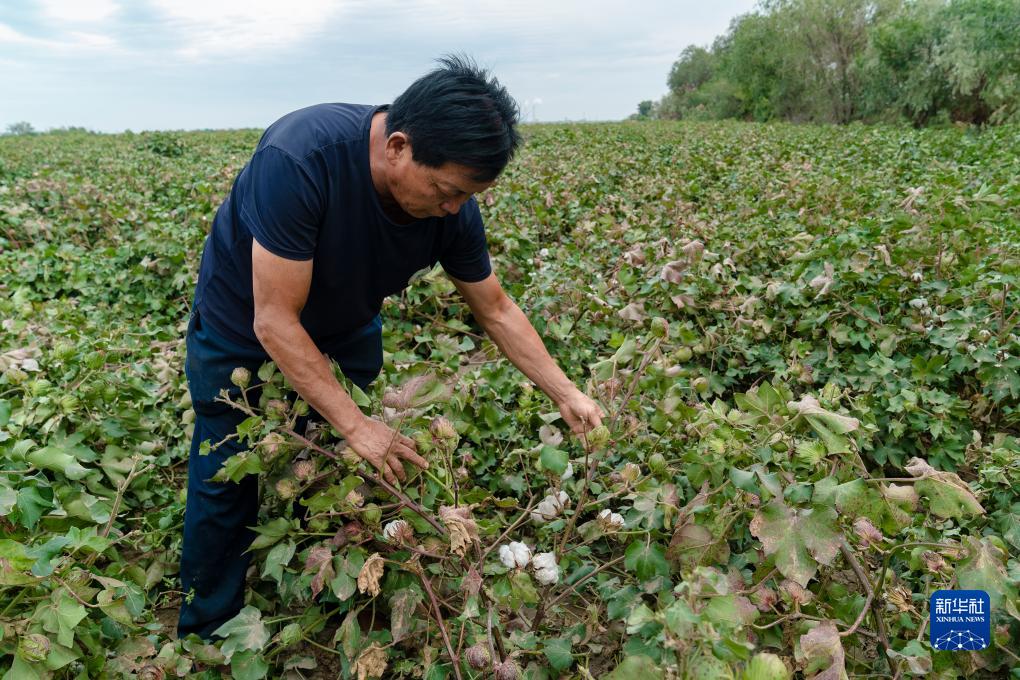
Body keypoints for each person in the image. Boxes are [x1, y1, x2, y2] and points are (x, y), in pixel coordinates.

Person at [177, 55, 604, 640]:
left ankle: (320, 588)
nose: (453, 208)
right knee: (226, 476)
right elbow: (274, 320)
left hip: (343, 324)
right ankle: (205, 632)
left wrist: (566, 393)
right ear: (398, 147)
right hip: (242, 325)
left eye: (466, 196)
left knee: (325, 466)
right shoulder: (301, 158)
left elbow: (496, 308)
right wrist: (359, 425)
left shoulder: (453, 208)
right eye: (446, 191)